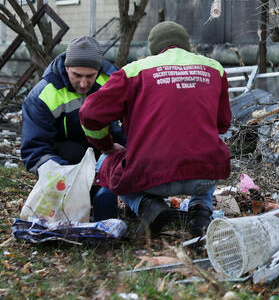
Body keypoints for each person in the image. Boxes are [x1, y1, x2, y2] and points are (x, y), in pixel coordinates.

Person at [79, 21, 232, 238]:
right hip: (203, 177)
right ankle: (201, 214)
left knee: (105, 162)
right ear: (186, 46)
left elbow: (89, 113)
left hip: (151, 177)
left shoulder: (134, 71)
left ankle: (148, 206)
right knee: (208, 148)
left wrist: (105, 145)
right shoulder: (215, 69)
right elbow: (223, 123)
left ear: (153, 48)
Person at [21, 35, 122, 221]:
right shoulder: (43, 95)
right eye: (77, 75)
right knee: (72, 151)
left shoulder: (112, 83)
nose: (83, 84)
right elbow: (34, 148)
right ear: (66, 68)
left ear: (98, 71)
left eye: (90, 76)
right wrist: (63, 176)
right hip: (64, 161)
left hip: (103, 152)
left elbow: (123, 128)